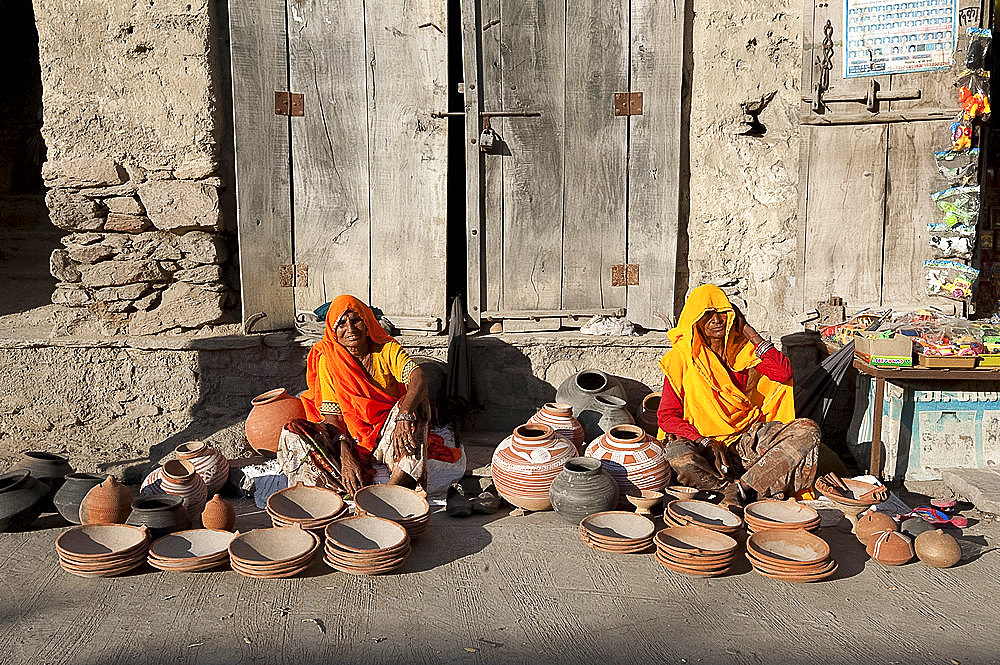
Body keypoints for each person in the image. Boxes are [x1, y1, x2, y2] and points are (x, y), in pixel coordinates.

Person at [656, 284, 820, 503]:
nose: (716, 320)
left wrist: (749, 331)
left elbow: (783, 372)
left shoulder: (743, 351)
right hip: (703, 445)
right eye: (707, 315)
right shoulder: (681, 358)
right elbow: (667, 416)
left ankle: (743, 487)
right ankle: (729, 489)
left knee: (808, 431)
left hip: (745, 441)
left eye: (722, 313)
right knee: (678, 456)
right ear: (694, 320)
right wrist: (704, 442)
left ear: (732, 316)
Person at [278, 295, 436, 494]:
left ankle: (393, 491)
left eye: (356, 320)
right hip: (346, 438)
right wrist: (346, 456)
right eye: (341, 323)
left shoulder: (386, 349)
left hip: (387, 434)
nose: (350, 329)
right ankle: (338, 493)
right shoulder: (329, 358)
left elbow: (418, 377)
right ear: (333, 331)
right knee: (292, 432)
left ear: (367, 322)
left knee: (419, 405)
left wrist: (404, 415)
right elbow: (333, 415)